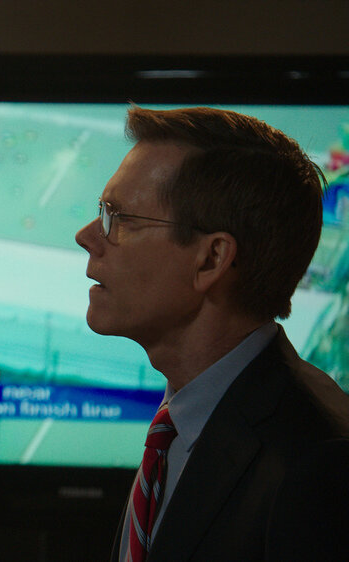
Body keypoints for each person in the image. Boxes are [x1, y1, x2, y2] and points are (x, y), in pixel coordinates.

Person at [74, 106, 349, 561]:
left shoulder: (317, 466)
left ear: (212, 258)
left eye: (119, 218)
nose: (86, 236)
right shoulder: (181, 422)